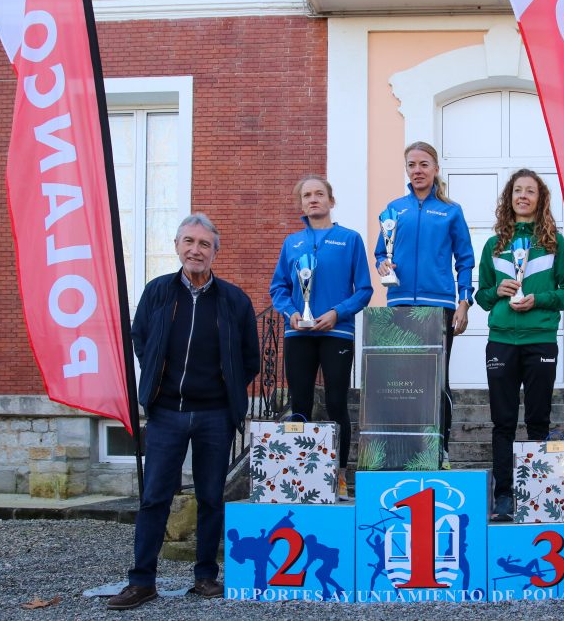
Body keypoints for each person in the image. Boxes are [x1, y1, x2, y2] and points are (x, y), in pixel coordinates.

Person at [107, 213, 260, 611]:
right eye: (189, 241)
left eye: (204, 244)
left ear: (214, 252)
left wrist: (227, 394)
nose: (196, 250)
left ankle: (205, 576)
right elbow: (141, 337)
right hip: (167, 413)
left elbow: (250, 358)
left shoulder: (235, 300)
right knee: (155, 496)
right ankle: (142, 581)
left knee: (211, 497)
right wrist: (157, 379)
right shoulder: (158, 292)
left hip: (215, 415)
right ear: (177, 246)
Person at [475, 169, 564, 522]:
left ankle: (537, 491)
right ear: (510, 197)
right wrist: (497, 291)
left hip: (540, 340)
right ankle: (504, 496)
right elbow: (482, 296)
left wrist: (538, 299)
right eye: (517, 190)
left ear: (540, 198)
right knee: (502, 423)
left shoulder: (554, 243)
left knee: (538, 420)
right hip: (501, 341)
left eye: (530, 191)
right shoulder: (494, 245)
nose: (523, 196)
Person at [269, 176, 373, 499]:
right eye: (306, 195)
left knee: (335, 403)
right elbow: (279, 288)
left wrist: (337, 313)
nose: (313, 200)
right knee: (300, 402)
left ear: (331, 200)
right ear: (301, 204)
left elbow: (365, 290)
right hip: (298, 334)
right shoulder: (292, 243)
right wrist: (291, 313)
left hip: (336, 333)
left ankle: (339, 475)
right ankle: (299, 473)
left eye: (319, 194)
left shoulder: (350, 240)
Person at [374, 141, 475, 469]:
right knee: (400, 381)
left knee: (436, 382)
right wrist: (382, 266)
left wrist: (464, 302)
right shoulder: (393, 210)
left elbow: (465, 259)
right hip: (400, 304)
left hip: (439, 306)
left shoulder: (450, 211)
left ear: (435, 169)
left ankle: (439, 450)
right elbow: (380, 253)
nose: (417, 170)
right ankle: (402, 450)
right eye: (411, 165)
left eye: (423, 164)